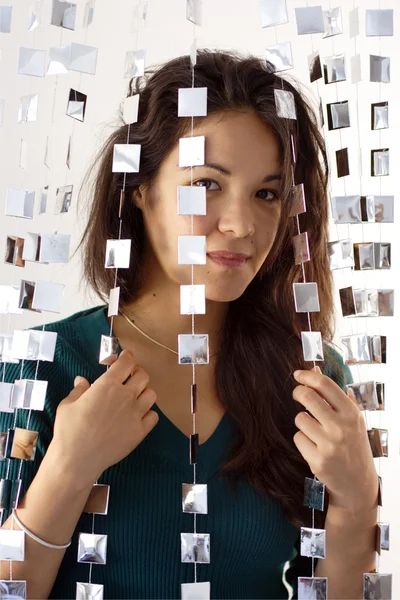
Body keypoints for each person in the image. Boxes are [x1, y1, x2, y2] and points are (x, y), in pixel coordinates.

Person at [0, 49, 352, 599]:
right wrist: (69, 468)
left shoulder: (314, 377)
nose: (241, 225)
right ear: (140, 189)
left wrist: (356, 500)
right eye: (207, 184)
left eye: (267, 193)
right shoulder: (48, 362)